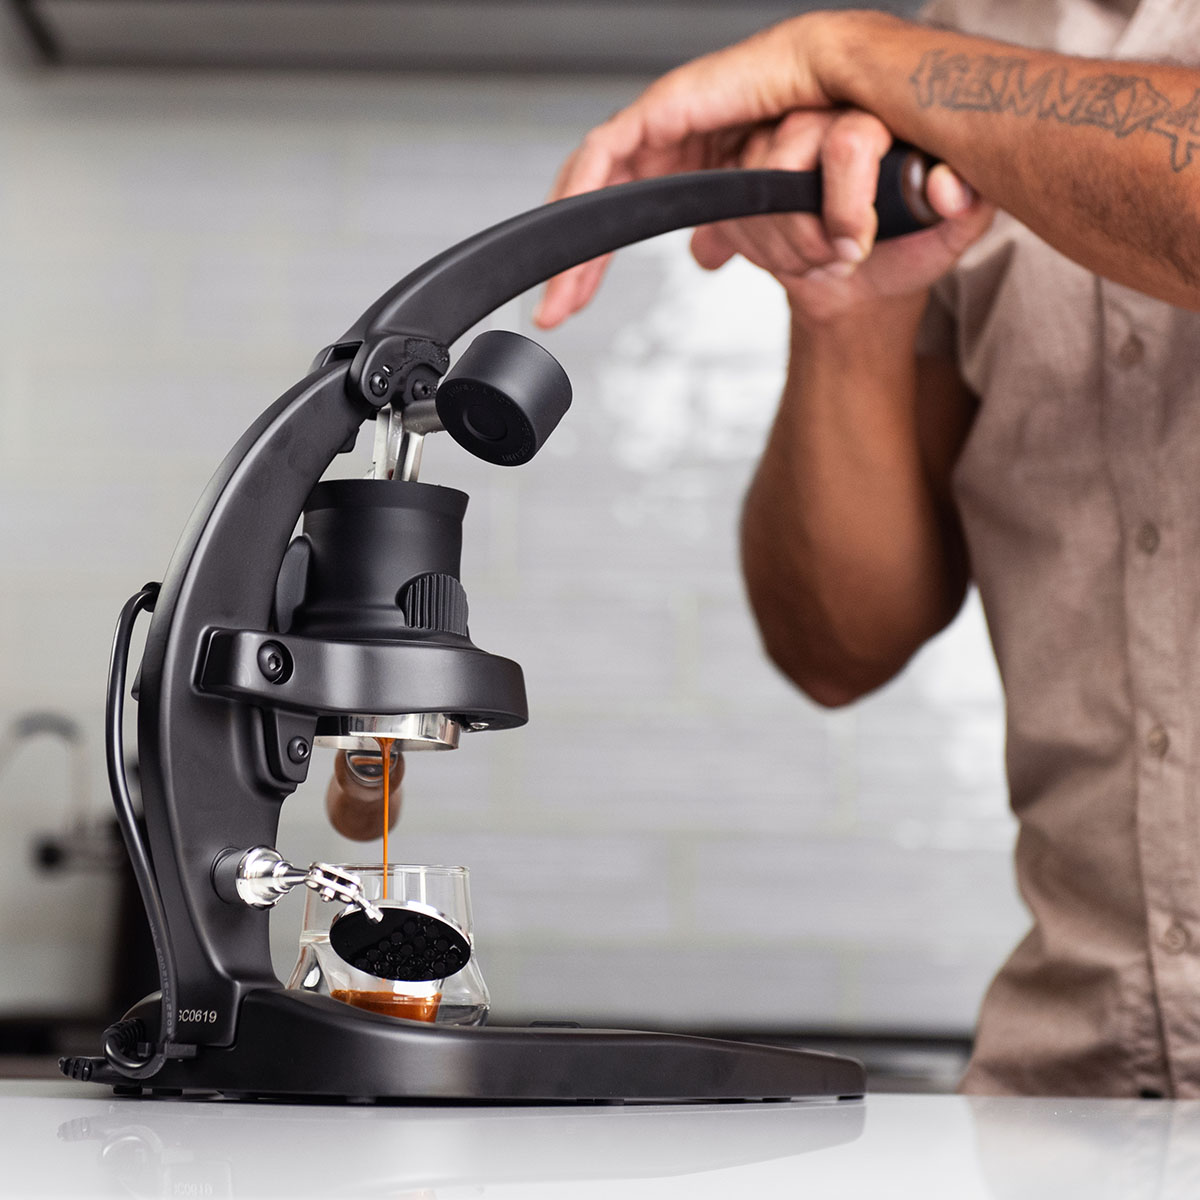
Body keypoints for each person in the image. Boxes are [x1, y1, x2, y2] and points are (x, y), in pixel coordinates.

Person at [533, 0, 1200, 1099]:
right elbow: (838, 645)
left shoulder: (915, 64)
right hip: (1074, 1093)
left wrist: (845, 53)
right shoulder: (973, 30)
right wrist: (845, 303)